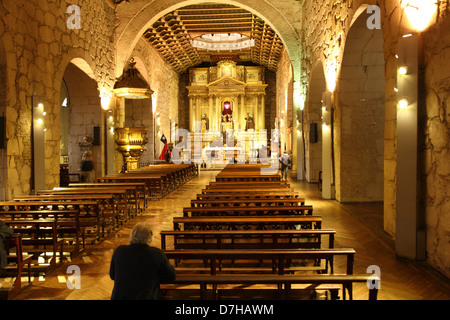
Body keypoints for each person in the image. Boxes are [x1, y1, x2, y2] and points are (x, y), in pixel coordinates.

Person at [109, 222, 176, 300]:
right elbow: (171, 276)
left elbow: (112, 275)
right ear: (150, 237)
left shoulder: (119, 251)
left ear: (132, 235)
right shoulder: (156, 254)